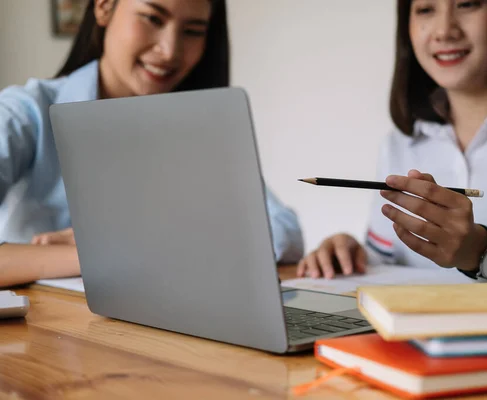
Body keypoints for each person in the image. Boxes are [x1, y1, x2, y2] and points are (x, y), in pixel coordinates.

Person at [0, 0, 303, 287]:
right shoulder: (25, 112)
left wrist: (135, 244)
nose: (170, 51)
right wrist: (107, 254)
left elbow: (281, 230)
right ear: (104, 6)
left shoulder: (197, 130)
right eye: (152, 18)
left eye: (193, 31)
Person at [298, 0, 487, 282]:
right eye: (426, 9)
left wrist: (484, 250)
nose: (444, 31)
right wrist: (352, 254)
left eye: (467, 4)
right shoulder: (400, 143)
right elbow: (392, 261)